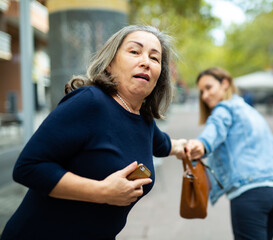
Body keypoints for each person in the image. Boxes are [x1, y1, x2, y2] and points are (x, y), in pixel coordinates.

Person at [1, 25, 186, 240]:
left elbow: (161, 143)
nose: (145, 61)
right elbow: (28, 167)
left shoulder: (142, 118)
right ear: (109, 64)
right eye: (134, 52)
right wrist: (103, 192)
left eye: (154, 58)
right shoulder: (90, 101)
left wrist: (185, 147)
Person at [185, 67, 273, 240]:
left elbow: (214, 130)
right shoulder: (251, 111)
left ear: (225, 83)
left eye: (208, 87)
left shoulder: (223, 109)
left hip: (250, 194)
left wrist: (201, 144)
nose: (204, 95)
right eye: (201, 91)